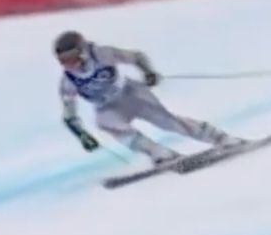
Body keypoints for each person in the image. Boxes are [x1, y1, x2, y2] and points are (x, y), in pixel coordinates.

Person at [53, 30, 246, 164]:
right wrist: (82, 135)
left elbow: (136, 56)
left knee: (167, 122)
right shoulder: (68, 81)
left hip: (130, 93)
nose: (70, 64)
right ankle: (159, 153)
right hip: (107, 107)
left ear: (84, 51)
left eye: (73, 57)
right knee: (107, 123)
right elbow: (69, 115)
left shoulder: (103, 54)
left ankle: (220, 138)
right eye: (63, 60)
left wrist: (148, 72)